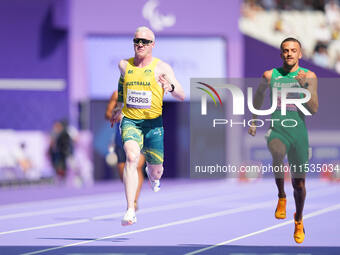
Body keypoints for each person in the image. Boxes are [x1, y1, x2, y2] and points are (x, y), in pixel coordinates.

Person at [110, 26, 185, 226]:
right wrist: (119, 106)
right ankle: (130, 209)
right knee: (131, 157)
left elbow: (182, 94)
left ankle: (154, 176)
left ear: (152, 44)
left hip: (153, 124)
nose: (140, 44)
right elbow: (121, 83)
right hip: (131, 121)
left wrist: (169, 87)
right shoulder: (124, 65)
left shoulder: (162, 68)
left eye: (144, 41)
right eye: (137, 41)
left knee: (155, 170)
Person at [248, 37, 318, 243]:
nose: (289, 53)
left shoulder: (310, 76)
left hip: (298, 132)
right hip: (277, 129)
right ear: (281, 54)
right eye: (285, 50)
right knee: (277, 151)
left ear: (300, 54)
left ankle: (299, 219)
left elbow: (313, 109)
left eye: (293, 50)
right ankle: (281, 196)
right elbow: (259, 96)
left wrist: (304, 86)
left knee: (299, 183)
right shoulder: (270, 76)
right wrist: (254, 120)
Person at [105, 90, 145, 210]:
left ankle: (134, 201)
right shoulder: (117, 94)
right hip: (121, 137)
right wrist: (117, 114)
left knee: (137, 166)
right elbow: (107, 114)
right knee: (124, 172)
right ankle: (131, 193)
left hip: (139, 134)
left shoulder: (144, 91)